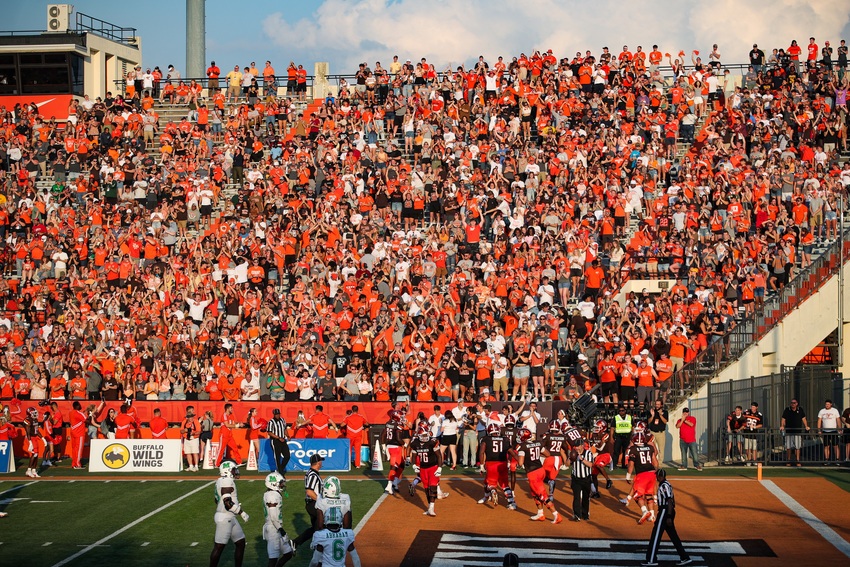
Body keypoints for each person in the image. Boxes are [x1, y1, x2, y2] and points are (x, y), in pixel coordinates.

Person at [641, 469, 692, 566]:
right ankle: (684, 557)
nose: (656, 477)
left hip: (665, 511)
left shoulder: (664, 485)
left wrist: (668, 516)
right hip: (668, 511)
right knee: (673, 536)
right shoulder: (667, 484)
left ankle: (651, 559)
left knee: (656, 535)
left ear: (660, 477)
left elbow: (669, 500)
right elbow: (672, 499)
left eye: (657, 476)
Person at [210, 461, 249, 567]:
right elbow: (227, 503)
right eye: (233, 469)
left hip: (229, 517)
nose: (235, 471)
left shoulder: (221, 480)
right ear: (227, 471)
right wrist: (241, 512)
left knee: (240, 542)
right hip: (225, 517)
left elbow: (216, 500)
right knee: (219, 546)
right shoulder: (226, 481)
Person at [476, 421, 517, 509]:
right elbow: (512, 452)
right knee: (505, 484)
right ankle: (511, 502)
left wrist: (482, 465)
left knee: (489, 483)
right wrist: (514, 461)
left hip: (491, 464)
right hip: (503, 463)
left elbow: (481, 452)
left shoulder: (486, 439)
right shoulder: (505, 439)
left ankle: (493, 491)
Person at [623, 431, 658, 525]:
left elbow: (631, 464)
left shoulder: (633, 449)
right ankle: (652, 515)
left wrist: (628, 475)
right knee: (648, 494)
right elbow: (655, 461)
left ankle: (645, 511)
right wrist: (656, 471)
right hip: (652, 473)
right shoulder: (650, 447)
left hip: (642, 474)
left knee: (637, 495)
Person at [409, 422, 444, 516]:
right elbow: (414, 455)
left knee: (433, 487)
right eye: (423, 435)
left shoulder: (432, 442)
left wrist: (439, 467)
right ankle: (429, 507)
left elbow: (439, 456)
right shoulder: (415, 443)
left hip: (433, 467)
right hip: (423, 468)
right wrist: (414, 465)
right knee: (426, 489)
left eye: (426, 434)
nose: (425, 437)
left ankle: (432, 508)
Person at [262, 472, 295, 567]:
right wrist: (282, 530)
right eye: (280, 483)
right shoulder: (272, 495)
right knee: (273, 559)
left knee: (288, 553)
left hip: (276, 527)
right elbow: (273, 517)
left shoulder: (272, 493)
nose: (282, 485)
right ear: (273, 484)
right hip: (273, 529)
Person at [293, 453, 324, 547]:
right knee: (323, 524)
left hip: (312, 504)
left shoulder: (311, 473)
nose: (322, 463)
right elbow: (309, 491)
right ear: (318, 463)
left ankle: (295, 543)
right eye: (321, 461)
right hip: (313, 504)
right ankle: (318, 546)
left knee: (316, 527)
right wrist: (320, 501)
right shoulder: (313, 475)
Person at [568, 431, 593, 522]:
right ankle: (577, 515)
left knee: (586, 497)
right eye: (575, 446)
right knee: (576, 497)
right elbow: (567, 464)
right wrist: (571, 458)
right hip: (576, 479)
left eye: (578, 446)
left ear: (582, 445)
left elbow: (590, 465)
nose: (576, 448)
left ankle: (585, 514)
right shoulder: (573, 453)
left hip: (586, 479)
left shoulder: (588, 454)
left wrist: (582, 459)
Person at [780, 399, 810, 466]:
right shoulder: (787, 410)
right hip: (789, 431)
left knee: (798, 446)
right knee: (788, 446)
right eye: (792, 403)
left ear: (797, 404)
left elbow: (804, 418)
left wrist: (806, 426)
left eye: (794, 403)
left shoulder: (800, 409)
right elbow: (783, 419)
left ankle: (798, 460)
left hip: (797, 431)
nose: (793, 404)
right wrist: (782, 426)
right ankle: (788, 460)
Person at [382, 410, 406, 494]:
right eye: (401, 416)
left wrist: (383, 446)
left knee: (402, 465)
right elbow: (399, 439)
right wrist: (405, 443)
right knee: (394, 466)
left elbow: (383, 434)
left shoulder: (388, 423)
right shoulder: (398, 425)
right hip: (395, 447)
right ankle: (389, 485)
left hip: (390, 446)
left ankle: (394, 482)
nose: (402, 418)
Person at [266, 408, 290, 476]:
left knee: (287, 455)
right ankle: (280, 471)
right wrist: (278, 438)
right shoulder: (271, 422)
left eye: (278, 414)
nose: (277, 415)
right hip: (275, 441)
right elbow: (269, 432)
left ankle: (281, 468)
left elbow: (285, 429)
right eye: (276, 414)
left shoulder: (282, 420)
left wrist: (288, 436)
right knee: (277, 457)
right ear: (274, 414)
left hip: (283, 440)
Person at [817, 399, 842, 465]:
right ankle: (826, 459)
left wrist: (840, 428)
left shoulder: (835, 410)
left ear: (831, 404)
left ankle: (837, 460)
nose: (827, 405)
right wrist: (819, 430)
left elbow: (838, 420)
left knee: (835, 445)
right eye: (826, 404)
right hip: (825, 431)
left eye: (828, 404)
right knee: (826, 446)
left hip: (833, 431)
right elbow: (819, 420)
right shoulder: (822, 411)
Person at [647, 399, 669, 466]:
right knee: (651, 448)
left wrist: (660, 415)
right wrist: (652, 415)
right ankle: (652, 463)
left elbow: (665, 421)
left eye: (658, 404)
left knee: (661, 449)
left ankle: (659, 464)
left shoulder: (665, 412)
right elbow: (649, 421)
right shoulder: (652, 411)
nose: (657, 406)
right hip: (652, 432)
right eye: (656, 404)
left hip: (660, 433)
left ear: (661, 405)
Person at [24, 407, 44, 478]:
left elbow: (37, 431)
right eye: (34, 413)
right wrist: (30, 442)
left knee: (37, 454)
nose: (35, 414)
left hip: (35, 438)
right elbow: (28, 432)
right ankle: (28, 470)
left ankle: (34, 470)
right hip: (30, 438)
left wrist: (43, 438)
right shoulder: (27, 420)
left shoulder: (35, 420)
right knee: (34, 454)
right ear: (30, 413)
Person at [743, 402, 764, 466]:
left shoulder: (759, 415)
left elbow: (760, 425)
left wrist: (754, 427)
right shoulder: (746, 412)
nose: (752, 408)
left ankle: (754, 460)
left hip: (754, 433)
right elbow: (742, 419)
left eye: (754, 407)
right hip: (747, 432)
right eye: (752, 406)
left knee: (754, 448)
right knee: (748, 448)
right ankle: (749, 460)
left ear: (757, 407)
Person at [181, 405, 201, 471]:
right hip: (187, 439)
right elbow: (181, 431)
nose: (192, 418)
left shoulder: (196, 421)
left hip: (194, 439)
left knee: (195, 452)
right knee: (188, 453)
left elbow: (199, 431)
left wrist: (194, 433)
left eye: (192, 416)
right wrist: (185, 430)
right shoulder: (184, 422)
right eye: (190, 417)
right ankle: (190, 466)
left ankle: (196, 465)